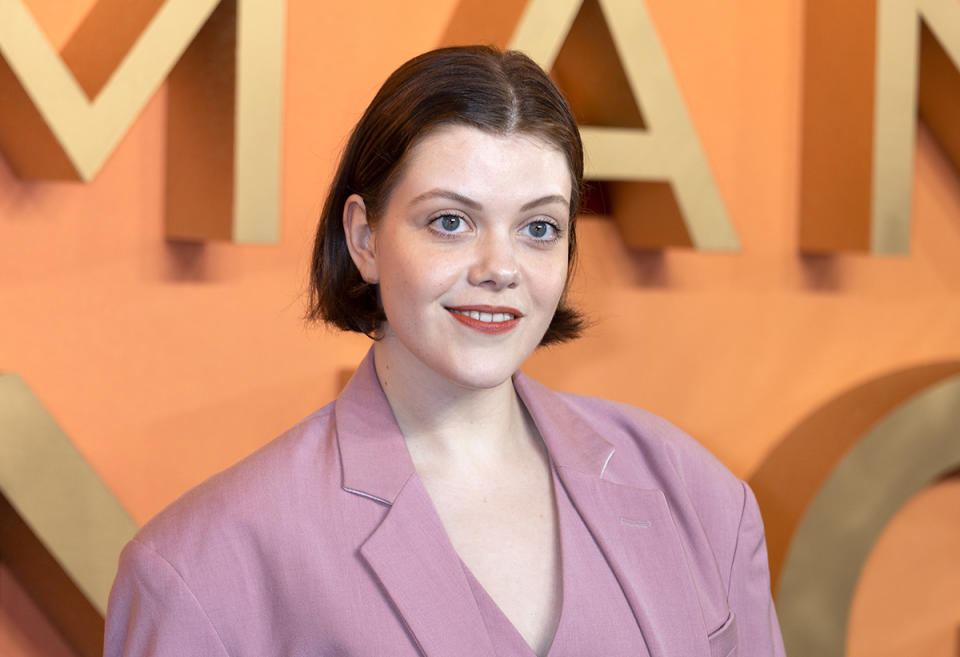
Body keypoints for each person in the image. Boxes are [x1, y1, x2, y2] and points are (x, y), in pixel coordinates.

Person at [104, 46, 786, 657]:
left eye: (540, 227)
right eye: (451, 221)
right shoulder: (201, 569)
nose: (500, 266)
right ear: (365, 238)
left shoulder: (699, 499)